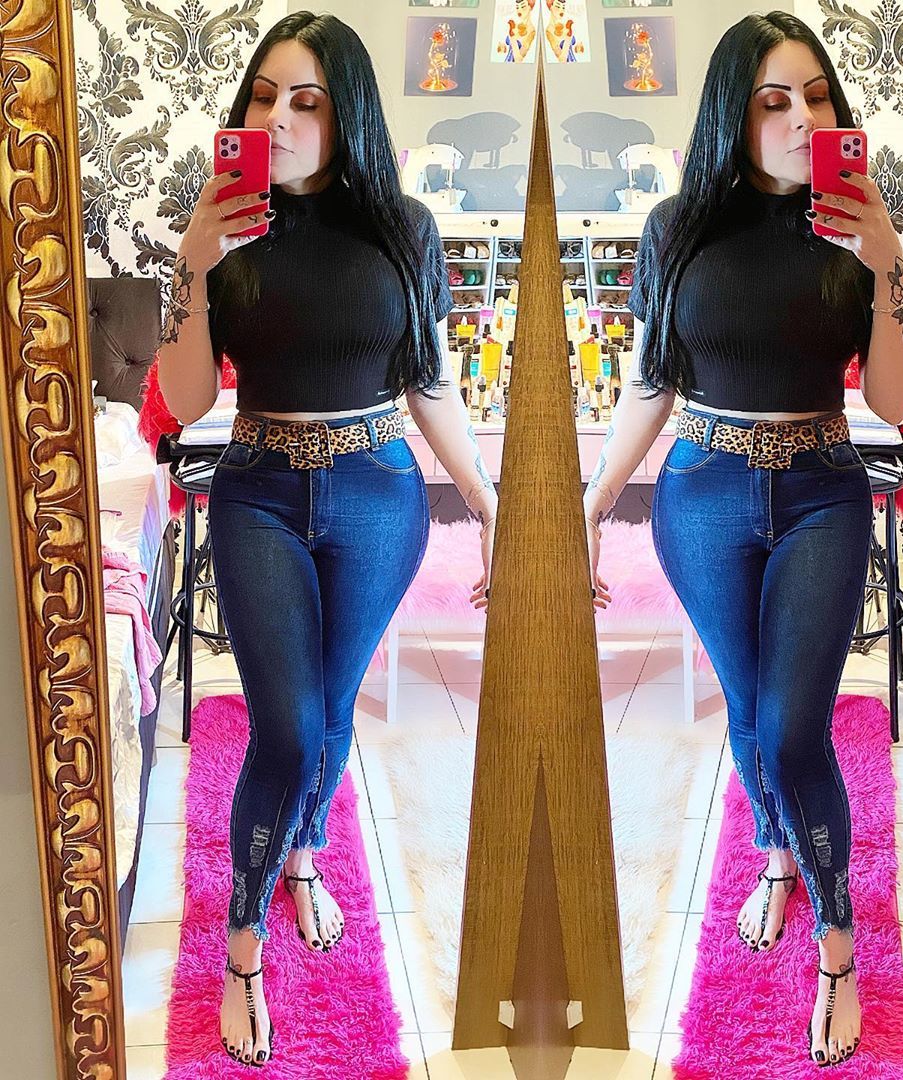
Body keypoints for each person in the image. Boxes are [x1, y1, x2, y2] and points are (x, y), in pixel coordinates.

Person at [583, 11, 903, 1069]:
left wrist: (887, 263)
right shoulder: (676, 229)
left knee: (793, 731)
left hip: (821, 489)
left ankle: (838, 949)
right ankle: (778, 856)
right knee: (747, 710)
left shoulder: (857, 230)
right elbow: (653, 385)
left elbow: (898, 397)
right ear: (734, 114)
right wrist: (588, 507)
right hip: (703, 497)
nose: (799, 119)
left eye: (814, 97)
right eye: (773, 101)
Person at [156, 12, 497, 1067]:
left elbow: (428, 385)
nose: (282, 119)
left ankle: (302, 856)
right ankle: (242, 949)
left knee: (333, 711)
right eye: (266, 97)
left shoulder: (404, 230)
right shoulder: (223, 231)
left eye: (308, 100)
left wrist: (490, 506)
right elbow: (182, 397)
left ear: (346, 115)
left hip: (378, 497)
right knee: (286, 729)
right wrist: (194, 263)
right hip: (258, 489)